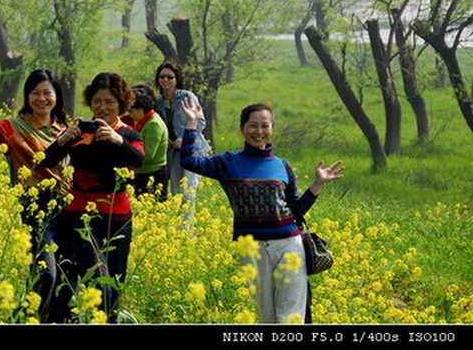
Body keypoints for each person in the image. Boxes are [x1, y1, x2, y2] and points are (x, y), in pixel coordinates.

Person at [179, 99, 344, 323]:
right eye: (253, 125)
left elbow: (296, 210)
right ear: (243, 129)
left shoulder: (282, 166)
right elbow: (189, 160)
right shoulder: (228, 162)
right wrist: (191, 123)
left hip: (289, 244)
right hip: (252, 248)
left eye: (265, 126)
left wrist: (318, 184)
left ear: (272, 130)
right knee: (265, 315)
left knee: (290, 315)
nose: (259, 131)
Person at [0, 66, 69, 323]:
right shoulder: (14, 128)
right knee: (45, 275)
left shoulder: (66, 130)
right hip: (35, 206)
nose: (41, 99)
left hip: (68, 209)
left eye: (47, 93)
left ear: (57, 96)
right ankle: (24, 320)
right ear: (27, 96)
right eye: (35, 93)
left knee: (66, 279)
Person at [38, 72, 145, 323]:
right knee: (94, 283)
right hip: (78, 218)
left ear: (121, 103)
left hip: (118, 220)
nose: (102, 107)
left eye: (109, 101)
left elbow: (139, 160)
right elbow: (46, 161)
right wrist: (64, 139)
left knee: (114, 284)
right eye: (97, 101)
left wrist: (118, 141)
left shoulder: (129, 135)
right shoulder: (78, 132)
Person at [154, 60, 210, 224]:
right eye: (162, 76)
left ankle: (187, 231)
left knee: (188, 191)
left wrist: (184, 139)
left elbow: (200, 122)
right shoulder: (158, 103)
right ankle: (180, 228)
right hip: (174, 153)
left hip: (192, 150)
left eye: (170, 77)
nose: (165, 80)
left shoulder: (187, 97)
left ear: (177, 79)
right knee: (177, 193)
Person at [127, 90, 169, 201]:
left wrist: (127, 156)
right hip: (143, 173)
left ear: (141, 109)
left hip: (153, 174)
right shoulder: (146, 122)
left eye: (131, 111)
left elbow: (148, 155)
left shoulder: (153, 124)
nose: (130, 115)